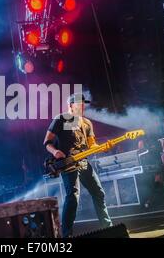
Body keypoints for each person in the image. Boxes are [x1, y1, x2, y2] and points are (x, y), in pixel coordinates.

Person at [43, 93, 112, 237]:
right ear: (70, 105)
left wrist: (102, 147)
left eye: (83, 103)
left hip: (83, 162)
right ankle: (67, 235)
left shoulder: (87, 123)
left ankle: (108, 228)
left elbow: (92, 144)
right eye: (78, 103)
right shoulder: (61, 119)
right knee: (73, 197)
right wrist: (55, 152)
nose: (82, 106)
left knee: (99, 193)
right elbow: (47, 143)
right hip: (68, 164)